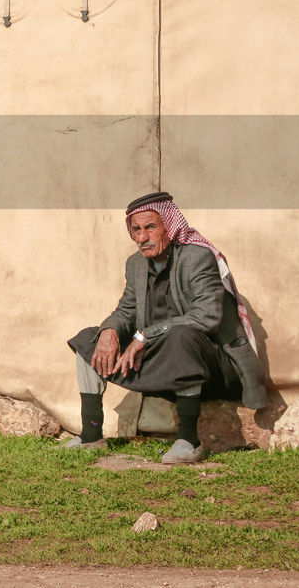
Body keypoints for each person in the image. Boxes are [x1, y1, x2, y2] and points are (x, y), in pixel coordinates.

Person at [63, 192, 267, 463]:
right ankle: (91, 437)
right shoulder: (135, 264)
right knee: (90, 338)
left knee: (181, 336)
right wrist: (110, 331)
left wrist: (145, 334)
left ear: (169, 226)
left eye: (150, 227)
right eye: (136, 229)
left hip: (213, 367)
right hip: (162, 360)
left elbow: (206, 317)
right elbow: (127, 309)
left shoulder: (197, 258)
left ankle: (188, 441)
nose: (141, 237)